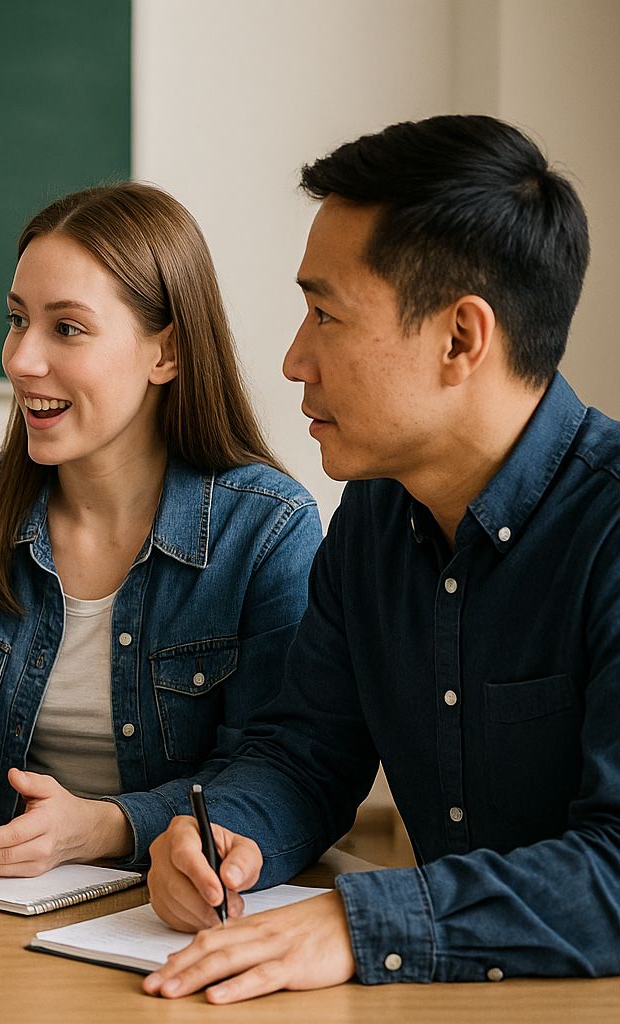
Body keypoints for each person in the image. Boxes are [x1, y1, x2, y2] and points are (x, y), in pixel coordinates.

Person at [143, 114, 620, 1003]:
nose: (293, 359)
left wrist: (359, 921)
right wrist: (222, 839)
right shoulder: (374, 514)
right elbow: (306, 752)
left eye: (326, 313)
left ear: (460, 339)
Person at [0, 182, 321, 877]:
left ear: (164, 353)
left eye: (67, 328)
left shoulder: (267, 530)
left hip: (165, 913)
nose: (21, 360)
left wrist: (106, 828)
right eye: (18, 320)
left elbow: (278, 777)